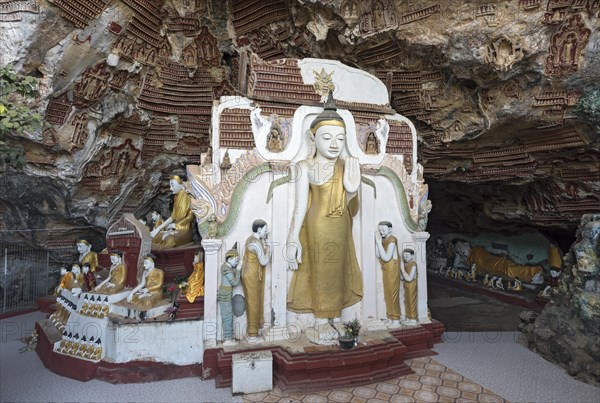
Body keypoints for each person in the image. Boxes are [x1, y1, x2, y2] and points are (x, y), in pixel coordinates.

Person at [286, 92, 363, 344]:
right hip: (316, 225)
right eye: (327, 137)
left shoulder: (346, 166)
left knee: (338, 270)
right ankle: (320, 321)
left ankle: (337, 319)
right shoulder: (304, 167)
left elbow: (351, 206)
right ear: (312, 137)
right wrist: (291, 238)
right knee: (320, 269)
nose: (334, 144)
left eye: (340, 139)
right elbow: (300, 206)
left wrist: (351, 190)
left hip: (340, 225)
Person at [242, 219, 271, 340]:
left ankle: (253, 330)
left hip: (250, 273)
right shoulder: (255, 243)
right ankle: (252, 333)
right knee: (253, 302)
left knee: (254, 301)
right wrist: (269, 250)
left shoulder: (252, 239)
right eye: (265, 229)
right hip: (251, 275)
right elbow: (264, 261)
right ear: (259, 229)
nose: (267, 232)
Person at [150, 175, 194, 248]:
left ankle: (161, 245)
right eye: (170, 185)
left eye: (173, 185)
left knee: (169, 238)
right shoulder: (177, 197)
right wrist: (158, 229)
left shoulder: (185, 195)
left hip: (184, 229)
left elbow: (187, 217)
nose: (170, 188)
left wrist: (176, 226)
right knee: (156, 236)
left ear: (181, 184)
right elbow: (173, 217)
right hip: (175, 227)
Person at [375, 221, 400, 328]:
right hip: (386, 269)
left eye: (383, 230)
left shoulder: (392, 240)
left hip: (392, 269)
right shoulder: (384, 240)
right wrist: (378, 242)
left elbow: (386, 257)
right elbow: (378, 255)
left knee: (393, 294)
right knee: (388, 293)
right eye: (380, 231)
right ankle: (390, 317)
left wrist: (378, 242)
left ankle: (396, 319)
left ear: (390, 229)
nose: (381, 232)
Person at [217, 245, 241, 344]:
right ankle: (227, 339)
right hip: (225, 293)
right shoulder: (225, 268)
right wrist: (238, 270)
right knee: (227, 316)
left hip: (226, 292)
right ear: (230, 258)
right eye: (236, 260)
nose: (237, 262)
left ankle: (229, 338)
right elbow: (234, 283)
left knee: (228, 315)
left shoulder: (226, 267)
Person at [401, 248, 418, 325]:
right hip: (406, 285)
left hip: (411, 285)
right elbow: (402, 277)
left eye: (407, 256)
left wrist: (402, 269)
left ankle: (413, 319)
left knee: (411, 301)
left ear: (412, 255)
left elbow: (409, 278)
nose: (405, 258)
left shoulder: (413, 264)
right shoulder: (406, 264)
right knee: (407, 301)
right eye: (404, 257)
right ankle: (408, 317)